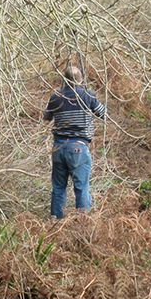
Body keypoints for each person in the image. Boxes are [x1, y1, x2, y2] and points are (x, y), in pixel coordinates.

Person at [43, 65, 106, 219]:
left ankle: (55, 221)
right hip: (79, 146)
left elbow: (46, 117)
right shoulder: (87, 96)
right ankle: (83, 223)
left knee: (58, 187)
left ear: (64, 79)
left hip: (58, 147)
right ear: (81, 79)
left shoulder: (56, 97)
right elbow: (104, 114)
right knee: (81, 187)